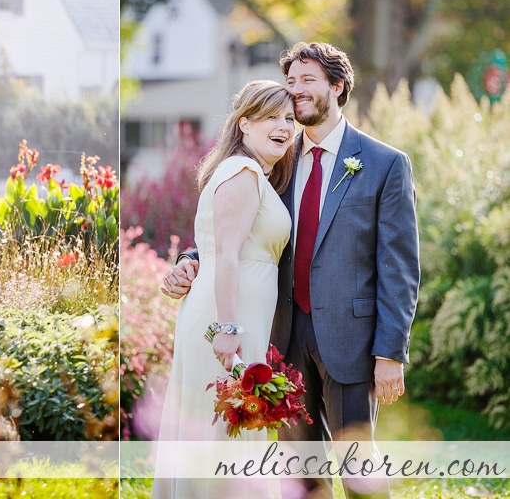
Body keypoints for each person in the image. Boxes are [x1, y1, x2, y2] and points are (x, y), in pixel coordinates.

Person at [162, 42, 420, 499]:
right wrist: (190, 262)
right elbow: (238, 234)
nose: (295, 92)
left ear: (337, 87)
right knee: (298, 476)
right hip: (279, 338)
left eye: (307, 81)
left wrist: (390, 353)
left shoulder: (384, 164)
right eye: (291, 82)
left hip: (352, 341)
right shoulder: (275, 159)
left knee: (359, 471)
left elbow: (399, 267)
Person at [152, 80, 296, 499]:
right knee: (222, 430)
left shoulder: (256, 174)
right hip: (227, 320)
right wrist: (228, 329)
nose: (283, 126)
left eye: (289, 119)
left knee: (231, 429)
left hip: (239, 315)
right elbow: (228, 254)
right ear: (245, 123)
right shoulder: (242, 170)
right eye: (270, 116)